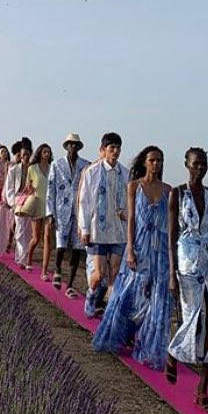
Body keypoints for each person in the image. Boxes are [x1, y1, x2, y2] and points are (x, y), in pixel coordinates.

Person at [92, 146, 171, 368]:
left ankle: (148, 346)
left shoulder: (168, 190)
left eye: (160, 161)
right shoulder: (134, 187)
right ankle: (118, 334)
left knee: (156, 300)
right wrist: (130, 250)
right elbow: (132, 219)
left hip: (160, 251)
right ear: (145, 162)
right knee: (127, 294)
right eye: (153, 160)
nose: (156, 164)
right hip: (139, 246)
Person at [164, 148, 208, 410]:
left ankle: (203, 387)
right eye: (195, 164)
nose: (199, 168)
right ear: (186, 165)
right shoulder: (177, 194)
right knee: (193, 318)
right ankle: (174, 352)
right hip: (187, 260)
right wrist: (171, 273)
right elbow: (171, 235)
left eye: (203, 164)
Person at [77, 132, 129, 319]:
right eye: (111, 148)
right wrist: (84, 228)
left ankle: (110, 308)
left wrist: (127, 214)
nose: (115, 151)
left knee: (115, 272)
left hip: (118, 231)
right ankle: (91, 296)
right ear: (103, 150)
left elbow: (130, 201)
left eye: (118, 148)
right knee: (99, 274)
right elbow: (85, 201)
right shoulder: (93, 172)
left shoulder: (125, 173)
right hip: (97, 230)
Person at [46, 133, 90, 297]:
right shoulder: (57, 165)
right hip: (61, 209)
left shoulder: (85, 165)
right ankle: (57, 269)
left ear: (78, 147)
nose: (72, 147)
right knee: (61, 244)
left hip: (79, 212)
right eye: (70, 144)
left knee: (78, 248)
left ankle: (70, 284)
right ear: (66, 146)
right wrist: (50, 213)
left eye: (75, 145)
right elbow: (51, 190)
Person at [10, 142, 34, 266]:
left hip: (30, 200)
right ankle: (20, 257)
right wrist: (13, 202)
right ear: (20, 155)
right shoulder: (14, 169)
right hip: (18, 199)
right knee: (19, 229)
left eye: (28, 154)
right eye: (24, 154)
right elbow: (9, 187)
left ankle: (25, 256)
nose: (25, 157)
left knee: (28, 230)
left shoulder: (34, 169)